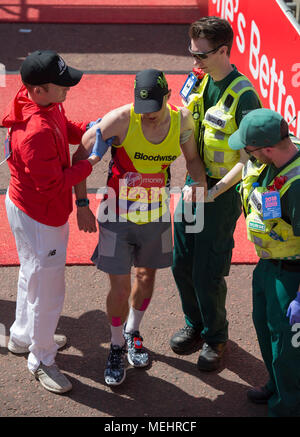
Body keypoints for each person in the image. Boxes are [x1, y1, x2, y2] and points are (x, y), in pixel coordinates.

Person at [72, 68, 206, 386]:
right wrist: (81, 205)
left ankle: (133, 331)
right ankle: (117, 345)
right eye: (141, 109)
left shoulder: (183, 120)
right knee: (118, 288)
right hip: (115, 217)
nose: (146, 116)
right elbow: (79, 154)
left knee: (146, 278)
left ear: (168, 98)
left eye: (153, 109)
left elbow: (192, 160)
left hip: (156, 215)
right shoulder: (120, 119)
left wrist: (198, 182)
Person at [2, 50, 103, 394]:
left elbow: (64, 126)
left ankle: (22, 335)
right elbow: (53, 183)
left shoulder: (39, 101)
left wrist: (88, 129)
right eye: (61, 85)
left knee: (31, 272)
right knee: (49, 289)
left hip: (24, 205)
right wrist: (91, 160)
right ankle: (42, 358)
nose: (67, 90)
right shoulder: (35, 132)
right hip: (41, 215)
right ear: (40, 89)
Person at [170, 16, 262, 371]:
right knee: (181, 262)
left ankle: (215, 336)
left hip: (221, 195)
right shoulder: (199, 80)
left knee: (208, 270)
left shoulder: (244, 96)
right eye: (192, 54)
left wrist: (216, 190)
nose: (195, 63)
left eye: (201, 56)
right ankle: (194, 323)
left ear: (223, 51)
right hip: (196, 185)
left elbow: (250, 159)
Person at [228, 108, 300, 417]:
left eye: (249, 148)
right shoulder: (274, 155)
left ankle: (288, 407)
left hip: (292, 276)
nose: (246, 154)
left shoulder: (297, 186)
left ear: (268, 148)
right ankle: (276, 384)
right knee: (264, 328)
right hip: (268, 265)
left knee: (286, 348)